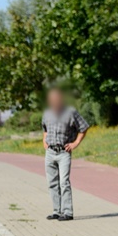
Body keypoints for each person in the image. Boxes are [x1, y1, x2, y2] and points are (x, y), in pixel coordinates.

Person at [42, 88, 90, 221]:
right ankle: (56, 211)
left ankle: (67, 212)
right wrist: (44, 141)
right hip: (50, 152)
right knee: (52, 183)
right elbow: (45, 128)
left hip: (64, 152)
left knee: (64, 182)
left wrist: (75, 143)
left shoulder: (71, 112)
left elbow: (84, 128)